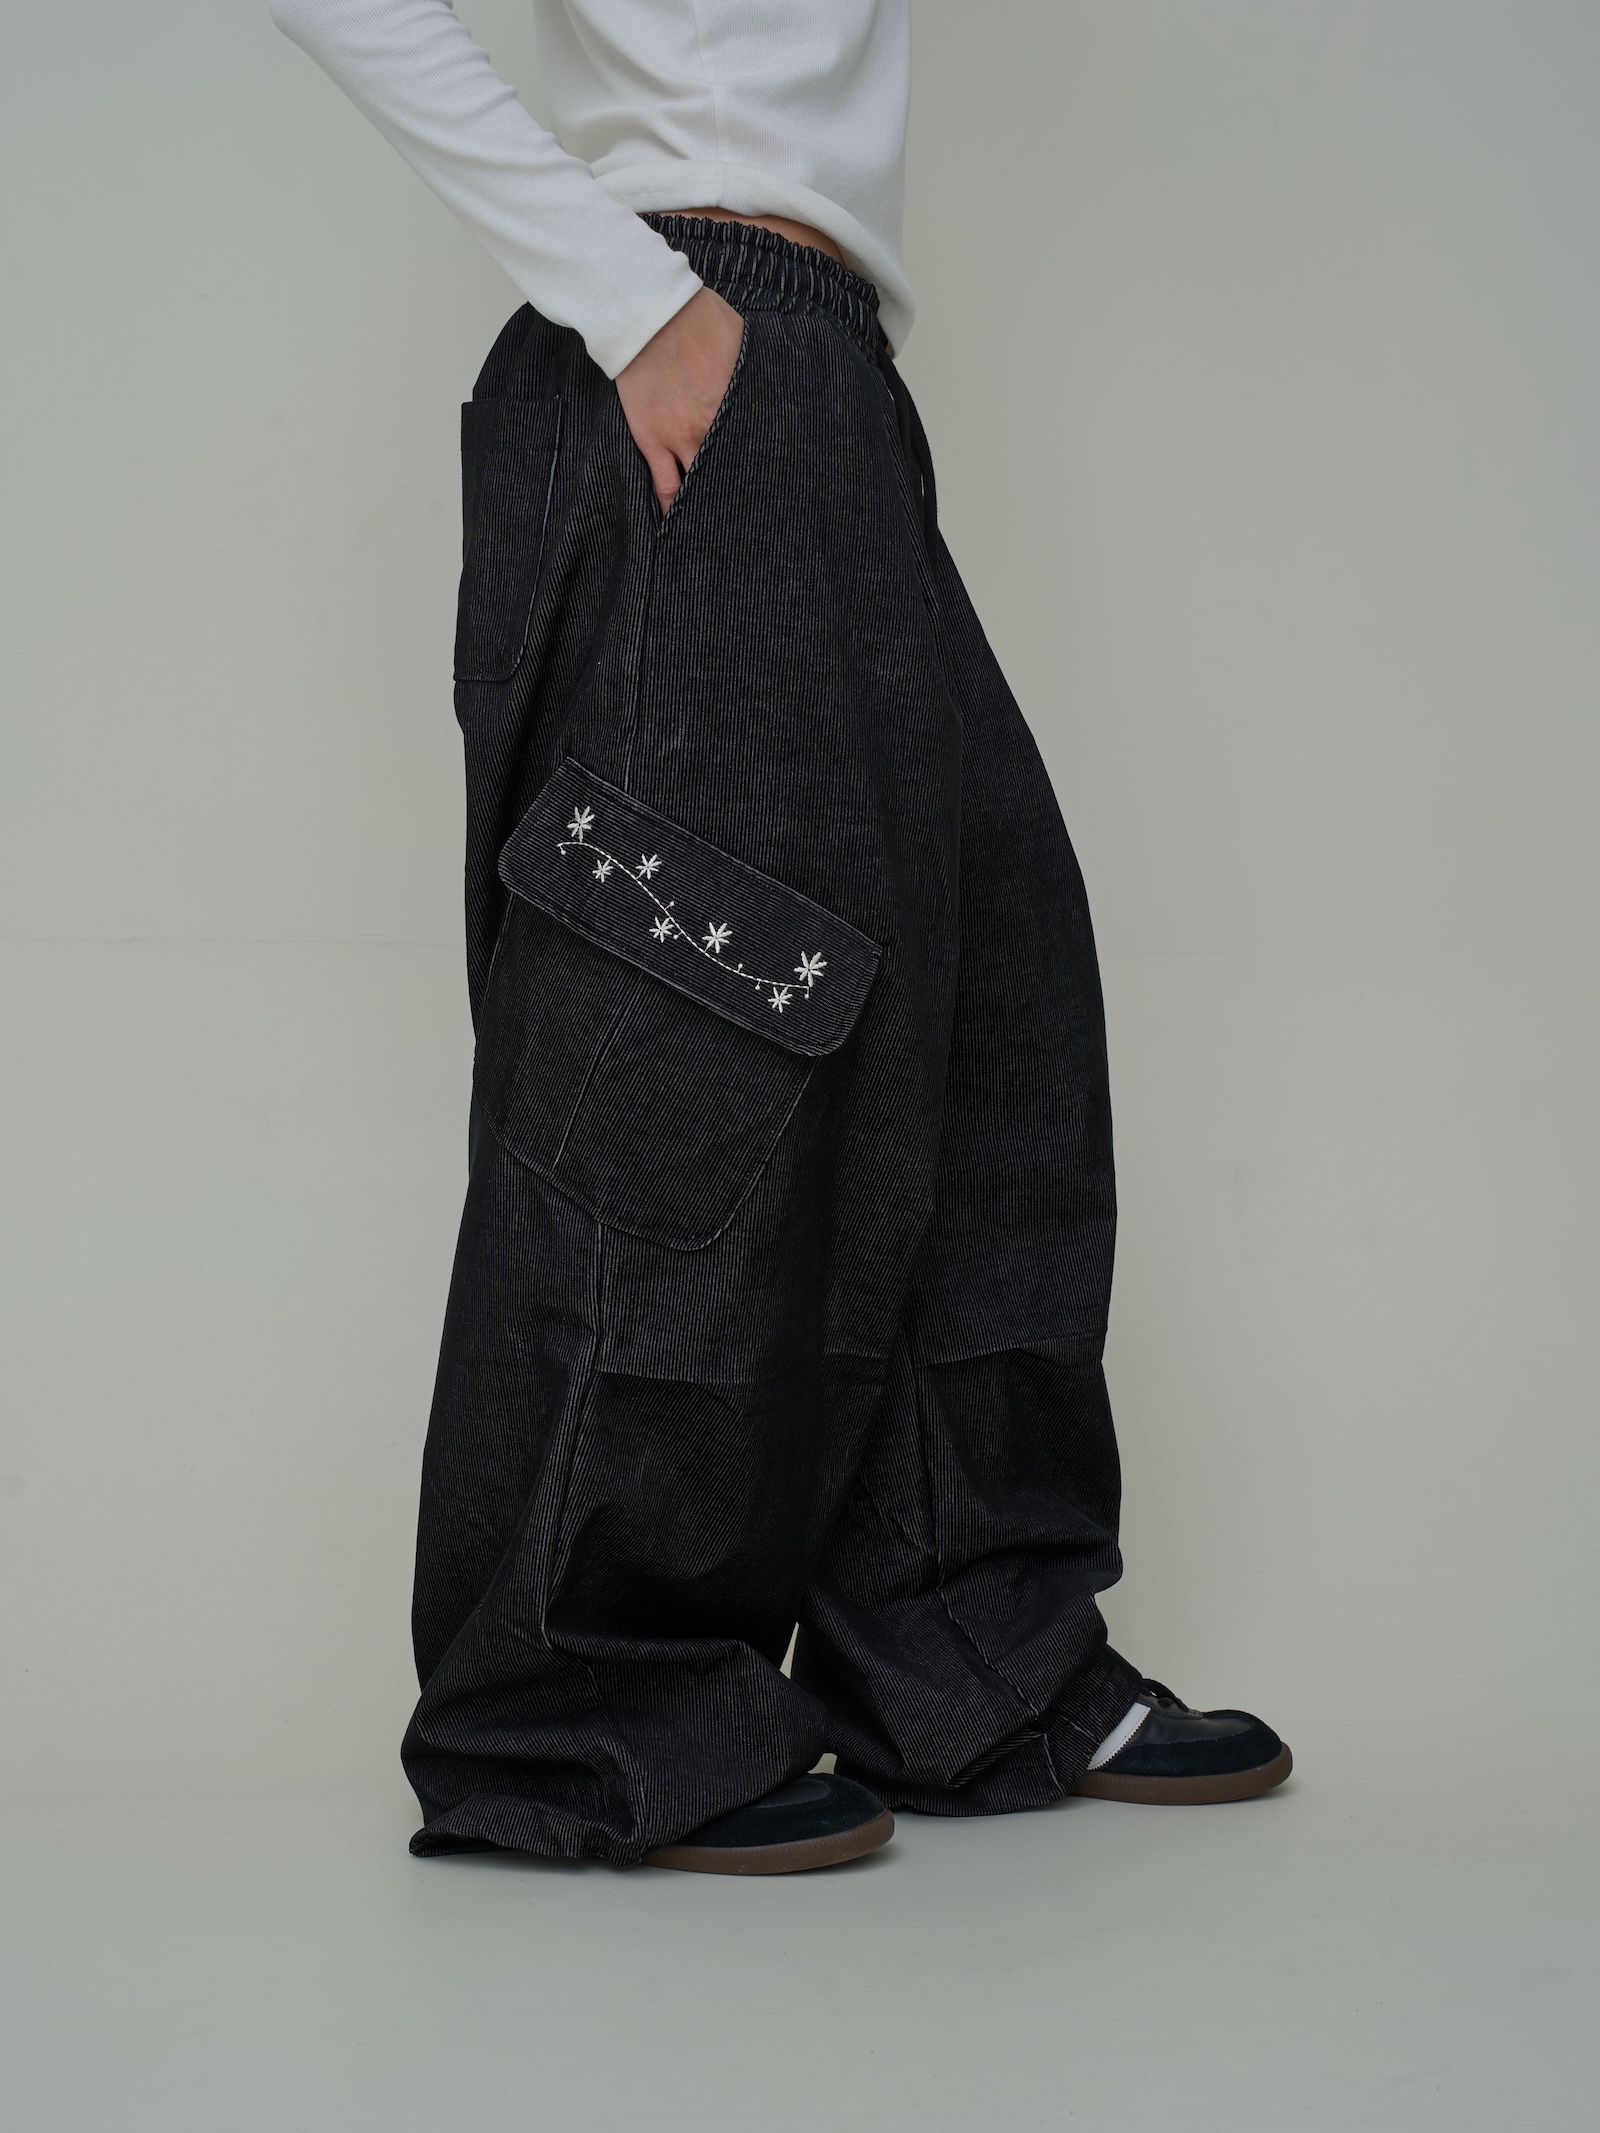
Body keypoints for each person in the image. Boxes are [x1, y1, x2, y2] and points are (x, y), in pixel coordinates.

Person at [271, 0, 1291, 1876]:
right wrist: (630, 300)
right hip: (690, 322)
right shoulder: (669, 309)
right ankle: (572, 1703)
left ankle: (964, 1644)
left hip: (815, 372)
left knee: (986, 1028)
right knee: (677, 1058)